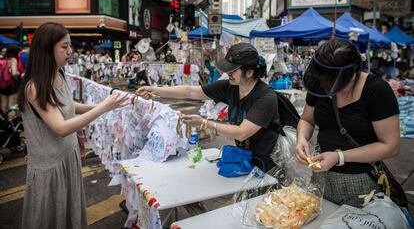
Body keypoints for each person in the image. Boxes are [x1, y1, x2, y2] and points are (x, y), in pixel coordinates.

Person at [17, 22, 129, 228]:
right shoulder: (34, 86)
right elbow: (61, 127)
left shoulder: (58, 74)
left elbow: (68, 105)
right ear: (46, 49)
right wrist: (103, 107)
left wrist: (103, 106)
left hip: (68, 158)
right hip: (50, 168)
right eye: (64, 46)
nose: (70, 51)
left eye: (70, 46)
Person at [136, 42, 280, 171]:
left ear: (249, 72)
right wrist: (156, 90)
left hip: (268, 165)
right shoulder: (230, 87)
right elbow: (191, 91)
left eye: (233, 70)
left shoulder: (266, 97)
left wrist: (204, 123)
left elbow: (242, 132)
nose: (227, 73)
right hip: (244, 158)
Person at [296, 39, 400, 207]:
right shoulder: (319, 84)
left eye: (334, 84)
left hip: (361, 181)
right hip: (321, 178)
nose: (328, 89)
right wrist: (301, 139)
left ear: (352, 74)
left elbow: (391, 146)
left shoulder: (377, 90)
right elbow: (307, 119)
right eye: (324, 84)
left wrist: (339, 157)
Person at [0, 45, 21, 112]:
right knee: (13, 105)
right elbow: (14, 73)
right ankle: (12, 118)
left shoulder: (2, 59)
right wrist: (19, 74)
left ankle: (4, 120)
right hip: (12, 85)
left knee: (4, 104)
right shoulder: (13, 59)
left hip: (2, 84)